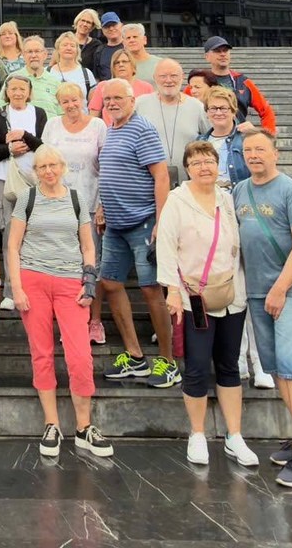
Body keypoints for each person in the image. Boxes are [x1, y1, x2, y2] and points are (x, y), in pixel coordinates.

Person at [157, 141, 257, 469]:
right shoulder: (177, 200)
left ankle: (234, 435)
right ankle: (197, 433)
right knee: (198, 366)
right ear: (187, 168)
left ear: (218, 165)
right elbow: (166, 246)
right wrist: (172, 290)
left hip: (231, 293)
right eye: (197, 162)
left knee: (229, 364)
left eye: (209, 161)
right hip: (193, 297)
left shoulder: (227, 199)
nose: (204, 167)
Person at [7, 145, 110, 458]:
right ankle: (51, 423)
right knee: (41, 352)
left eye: (53, 165)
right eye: (42, 167)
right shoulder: (28, 198)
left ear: (63, 167)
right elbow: (13, 246)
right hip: (33, 279)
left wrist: (89, 282)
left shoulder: (77, 199)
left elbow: (88, 247)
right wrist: (16, 288)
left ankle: (83, 426)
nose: (48, 171)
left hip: (70, 282)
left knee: (80, 355)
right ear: (36, 171)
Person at [234, 130, 292, 488]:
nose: (253, 155)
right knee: (279, 371)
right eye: (248, 150)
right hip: (257, 292)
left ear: (276, 153)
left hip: (288, 292)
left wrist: (280, 288)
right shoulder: (241, 190)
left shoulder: (291, 191)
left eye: (260, 149)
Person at [93, 79, 178, 387]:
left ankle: (168, 362)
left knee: (151, 289)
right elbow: (112, 173)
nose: (112, 103)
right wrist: (102, 206)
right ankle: (135, 356)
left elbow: (161, 176)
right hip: (115, 224)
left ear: (132, 100)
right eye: (107, 99)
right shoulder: (112, 130)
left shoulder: (142, 129)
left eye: (118, 98)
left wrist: (160, 221)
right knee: (110, 283)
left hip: (143, 220)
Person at [0, 76, 49, 309]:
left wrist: (24, 136)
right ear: (6, 92)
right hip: (5, 179)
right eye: (13, 89)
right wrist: (8, 149)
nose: (18, 92)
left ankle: (35, 286)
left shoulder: (39, 113)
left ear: (29, 92)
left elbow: (45, 145)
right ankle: (10, 289)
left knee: (36, 232)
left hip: (35, 179)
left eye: (22, 89)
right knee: (9, 233)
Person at [136, 59, 212, 186]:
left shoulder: (197, 107)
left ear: (182, 77)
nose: (168, 80)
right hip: (147, 184)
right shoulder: (139, 105)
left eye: (174, 76)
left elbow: (211, 140)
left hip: (189, 185)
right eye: (163, 76)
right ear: (154, 78)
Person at [41, 81, 105, 217]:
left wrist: (102, 203)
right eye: (65, 102)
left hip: (89, 200)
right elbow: (43, 161)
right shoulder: (52, 124)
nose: (70, 105)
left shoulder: (98, 125)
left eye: (74, 100)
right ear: (59, 104)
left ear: (82, 100)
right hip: (56, 201)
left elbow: (106, 165)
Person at [202, 37, 276, 135]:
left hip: (238, 138)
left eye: (225, 50)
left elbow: (266, 111)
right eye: (217, 51)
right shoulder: (199, 82)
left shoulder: (243, 82)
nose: (223, 54)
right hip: (209, 138)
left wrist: (267, 137)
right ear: (207, 56)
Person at [1, 35, 61, 118]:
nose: (33, 55)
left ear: (45, 54)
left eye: (37, 51)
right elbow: (1, 108)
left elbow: (62, 113)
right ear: (23, 55)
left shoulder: (55, 81)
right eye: (29, 52)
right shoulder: (12, 79)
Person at [204, 87, 248, 186]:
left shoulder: (245, 139)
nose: (218, 113)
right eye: (213, 108)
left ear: (233, 112)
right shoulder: (199, 142)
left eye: (223, 108)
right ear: (207, 112)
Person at [48, 33, 99, 101]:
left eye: (72, 46)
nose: (68, 48)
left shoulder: (87, 74)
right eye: (65, 45)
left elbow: (93, 103)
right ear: (58, 49)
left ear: (77, 51)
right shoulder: (47, 72)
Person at [82, 11, 125, 81]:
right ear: (102, 30)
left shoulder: (130, 46)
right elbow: (97, 78)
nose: (111, 28)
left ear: (121, 25)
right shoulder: (99, 51)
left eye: (114, 25)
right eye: (107, 26)